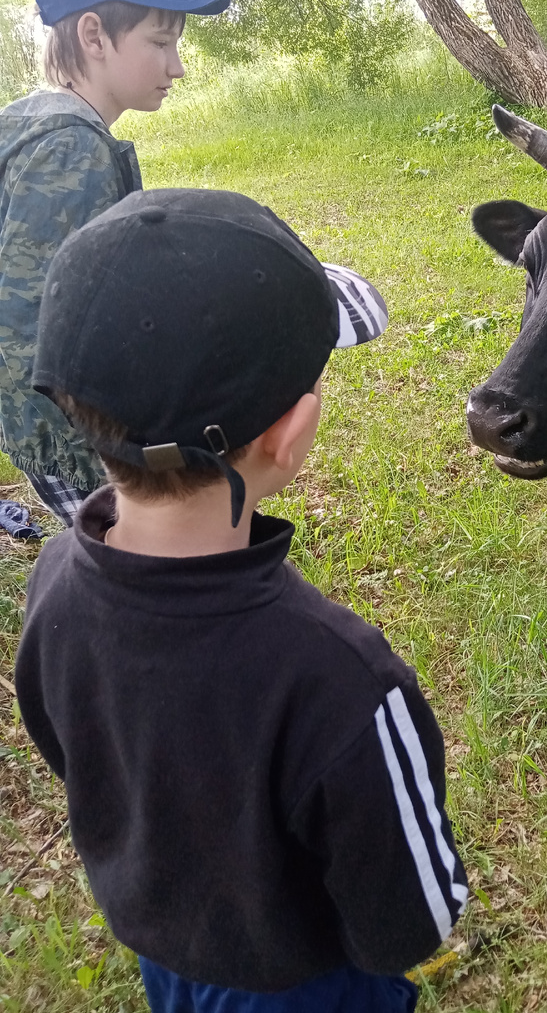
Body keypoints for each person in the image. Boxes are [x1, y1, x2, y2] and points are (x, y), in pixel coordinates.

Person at [15, 187, 467, 1012]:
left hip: (166, 953)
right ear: (289, 437)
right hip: (308, 987)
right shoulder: (343, 681)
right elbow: (412, 921)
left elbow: (67, 748)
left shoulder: (54, 579)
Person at [0, 0, 231, 525]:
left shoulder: (31, 122)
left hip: (46, 430)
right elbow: (37, 325)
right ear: (94, 36)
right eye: (160, 42)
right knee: (141, 563)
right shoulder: (71, 150)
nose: (177, 67)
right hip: (74, 444)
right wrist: (112, 452)